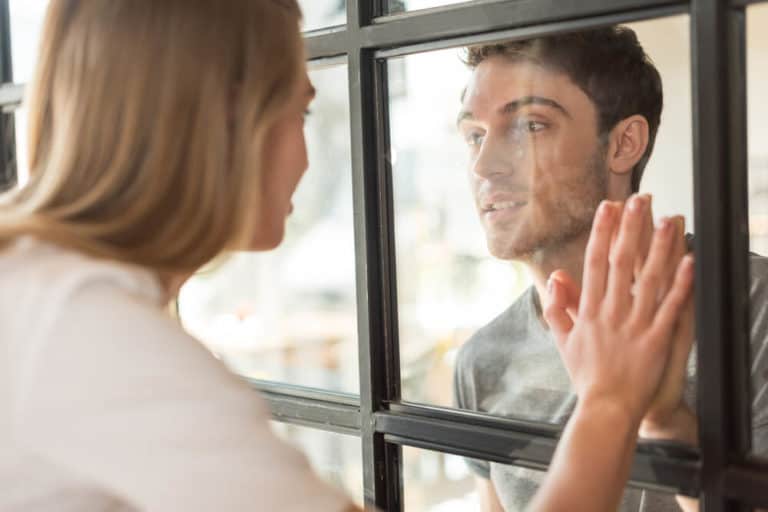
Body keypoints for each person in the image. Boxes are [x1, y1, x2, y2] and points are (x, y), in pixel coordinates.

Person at [0, 1, 693, 511]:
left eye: (530, 125)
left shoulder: (47, 297)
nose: (485, 164)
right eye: (300, 111)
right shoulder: (90, 335)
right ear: (223, 120)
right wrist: (610, 403)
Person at [453, 27, 768, 512]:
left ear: (624, 144)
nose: (484, 164)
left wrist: (666, 425)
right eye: (474, 135)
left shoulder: (752, 306)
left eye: (530, 126)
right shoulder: (481, 362)